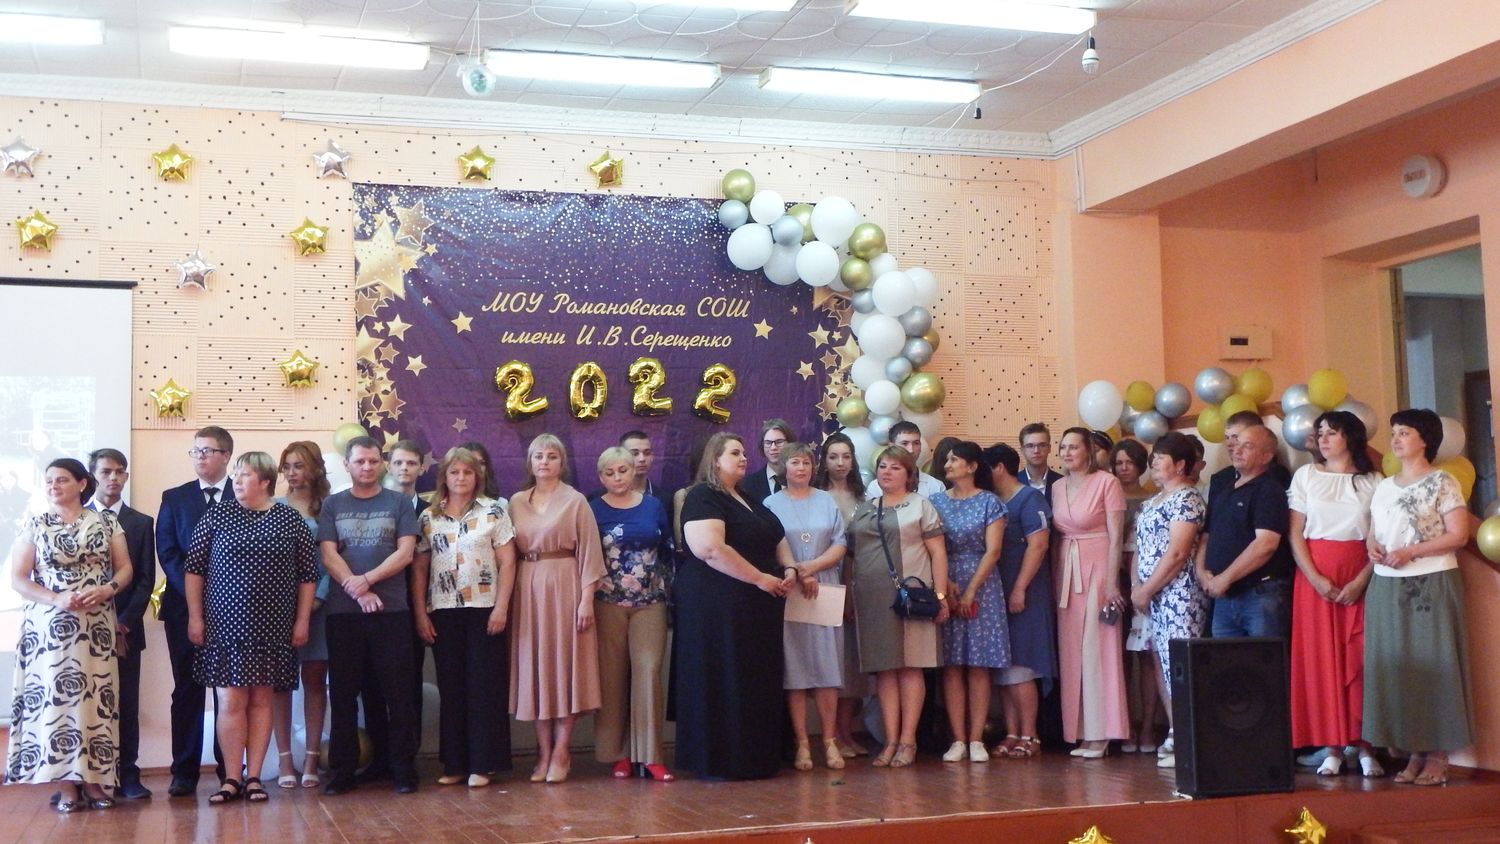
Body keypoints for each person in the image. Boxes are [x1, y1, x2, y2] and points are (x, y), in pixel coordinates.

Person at [186, 452, 318, 805]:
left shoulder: (289, 520)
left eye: (244, 475)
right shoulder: (218, 515)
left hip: (273, 625)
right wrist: (195, 617)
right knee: (231, 700)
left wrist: (302, 620)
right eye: (236, 475)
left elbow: (308, 575)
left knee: (261, 700)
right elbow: (194, 569)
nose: (237, 481)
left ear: (265, 481)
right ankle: (232, 777)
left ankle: (254, 777)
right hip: (225, 624)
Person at [6, 459, 133, 813]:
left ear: (82, 484)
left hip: (95, 626)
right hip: (49, 629)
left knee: (95, 701)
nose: (53, 486)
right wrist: (55, 599)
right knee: (58, 703)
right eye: (48, 481)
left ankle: (94, 782)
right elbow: (18, 578)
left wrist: (107, 589)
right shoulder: (35, 523)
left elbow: (125, 568)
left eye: (61, 479)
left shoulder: (106, 521)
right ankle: (66, 787)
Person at [673, 432, 795, 780]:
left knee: (752, 678)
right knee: (724, 676)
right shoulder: (702, 496)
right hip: (717, 606)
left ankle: (755, 757)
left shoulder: (747, 497)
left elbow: (776, 535)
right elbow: (709, 549)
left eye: (743, 453)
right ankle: (722, 761)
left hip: (755, 607)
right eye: (735, 453)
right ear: (715, 460)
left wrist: (789, 568)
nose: (744, 458)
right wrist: (759, 578)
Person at [1366, 408, 1472, 786]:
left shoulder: (1442, 481)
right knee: (1402, 669)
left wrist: (1411, 552)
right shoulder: (1384, 486)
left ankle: (1438, 753)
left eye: (1405, 432)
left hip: (1431, 583)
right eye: (1394, 432)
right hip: (1386, 584)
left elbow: (1458, 535)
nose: (1396, 439)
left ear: (1425, 440)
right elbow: (1375, 530)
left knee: (1434, 665)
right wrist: (1372, 546)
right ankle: (1413, 750)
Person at [318, 436, 421, 795]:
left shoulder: (399, 503)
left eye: (373, 461)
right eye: (360, 461)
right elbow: (328, 554)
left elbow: (405, 553)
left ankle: (403, 769)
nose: (366, 467)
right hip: (344, 614)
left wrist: (367, 580)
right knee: (344, 694)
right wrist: (358, 591)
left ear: (382, 463)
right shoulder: (333, 505)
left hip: (391, 612)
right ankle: (343, 771)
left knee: (399, 694)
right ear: (347, 465)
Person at [412, 447, 516, 787]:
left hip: (485, 609)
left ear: (477, 476)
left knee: (483, 687)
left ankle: (483, 764)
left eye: (467, 472)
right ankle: (455, 763)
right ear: (444, 476)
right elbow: (420, 569)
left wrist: (501, 607)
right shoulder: (429, 517)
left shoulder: (494, 511)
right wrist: (420, 614)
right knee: (452, 687)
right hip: (443, 610)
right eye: (454, 472)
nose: (461, 478)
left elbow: (508, 562)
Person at [1288, 411, 1383, 778]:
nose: (1323, 439)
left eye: (1332, 433)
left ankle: (1365, 746)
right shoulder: (1306, 475)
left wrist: (1361, 580)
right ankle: (1331, 747)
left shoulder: (1374, 481)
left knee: (1359, 659)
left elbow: (1379, 537)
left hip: (1360, 572)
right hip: (1315, 576)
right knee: (1322, 660)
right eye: (1320, 433)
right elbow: (1295, 533)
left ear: (1350, 437)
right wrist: (1315, 578)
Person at [508, 434, 606, 784]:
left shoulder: (575, 500)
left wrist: (586, 600)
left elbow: (590, 553)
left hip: (566, 585)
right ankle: (543, 752)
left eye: (551, 456)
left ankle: (562, 751)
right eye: (538, 456)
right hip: (528, 587)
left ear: (562, 463)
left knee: (566, 667)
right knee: (537, 669)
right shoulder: (516, 502)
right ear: (530, 462)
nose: (544, 462)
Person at [848, 445, 950, 768]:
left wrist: (941, 596)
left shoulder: (921, 505)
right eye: (882, 466)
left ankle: (909, 741)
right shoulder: (865, 508)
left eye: (895, 467)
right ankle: (890, 740)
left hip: (910, 600)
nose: (887, 472)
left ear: (909, 474)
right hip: (872, 599)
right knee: (885, 670)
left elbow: (938, 553)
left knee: (910, 667)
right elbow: (852, 554)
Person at [155, 425, 234, 797]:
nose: (200, 457)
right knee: (188, 689)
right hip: (183, 609)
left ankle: (229, 770)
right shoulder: (175, 498)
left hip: (234, 609)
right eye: (196, 451)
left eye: (208, 450)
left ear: (226, 456)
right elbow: (168, 552)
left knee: (229, 691)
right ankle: (184, 771)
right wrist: (195, 594)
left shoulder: (241, 494)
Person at [591, 447, 675, 781]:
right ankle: (619, 755)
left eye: (622, 470)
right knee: (612, 679)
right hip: (607, 603)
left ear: (633, 471)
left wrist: (667, 590)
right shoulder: (592, 508)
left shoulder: (653, 505)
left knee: (648, 673)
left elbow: (667, 550)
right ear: (601, 477)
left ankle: (650, 756)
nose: (617, 478)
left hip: (650, 602)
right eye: (609, 473)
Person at [765, 442, 849, 772]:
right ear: (783, 467)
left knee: (828, 666)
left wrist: (811, 568)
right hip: (790, 587)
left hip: (824, 585)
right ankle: (802, 742)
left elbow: (840, 543)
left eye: (806, 463)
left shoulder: (826, 500)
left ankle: (829, 740)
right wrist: (798, 572)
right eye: (795, 462)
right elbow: (771, 544)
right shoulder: (770, 503)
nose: (801, 468)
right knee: (796, 666)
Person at [1129, 433, 1209, 770]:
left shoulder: (1187, 499)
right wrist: (1137, 586)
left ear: (1180, 465)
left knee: (1180, 662)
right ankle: (1178, 729)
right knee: (1162, 662)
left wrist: (1147, 589)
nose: (1154, 462)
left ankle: (1191, 737)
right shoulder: (1152, 502)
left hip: (1179, 594)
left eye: (1161, 457)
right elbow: (1139, 549)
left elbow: (1177, 553)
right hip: (1152, 596)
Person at [358, 439, 431, 786]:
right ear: (389, 465)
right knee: (371, 685)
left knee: (407, 687)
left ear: (421, 468)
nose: (404, 469)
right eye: (398, 462)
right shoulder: (377, 504)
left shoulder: (431, 510)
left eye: (411, 463)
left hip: (413, 608)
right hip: (372, 604)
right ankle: (380, 759)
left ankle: (406, 759)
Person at [1052, 427, 1127, 758]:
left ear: (1089, 451)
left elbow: (1116, 536)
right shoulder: (1057, 487)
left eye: (1074, 447)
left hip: (1098, 567)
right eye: (1063, 447)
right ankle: (1082, 730)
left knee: (1099, 649)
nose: (1067, 453)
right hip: (1067, 573)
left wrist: (1111, 583)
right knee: (1073, 653)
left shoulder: (1107, 482)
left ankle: (1104, 732)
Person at [931, 442, 1008, 764]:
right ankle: (958, 739)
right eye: (947, 460)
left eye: (955, 460)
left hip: (983, 585)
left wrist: (970, 591)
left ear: (973, 466)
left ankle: (977, 739)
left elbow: (993, 551)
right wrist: (946, 585)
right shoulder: (935, 502)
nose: (948, 464)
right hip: (945, 582)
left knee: (978, 664)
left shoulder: (990, 502)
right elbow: (932, 548)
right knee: (951, 665)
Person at [86, 448, 156, 800]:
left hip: (123, 631)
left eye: (119, 472)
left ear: (126, 476)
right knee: (85, 705)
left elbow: (145, 579)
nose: (113, 478)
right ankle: (82, 780)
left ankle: (127, 775)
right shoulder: (76, 518)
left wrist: (123, 623)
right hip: (83, 632)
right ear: (92, 476)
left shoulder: (140, 522)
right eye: (106, 471)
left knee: (125, 705)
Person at [982, 443, 1054, 759]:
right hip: (998, 593)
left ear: (999, 468)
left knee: (1023, 666)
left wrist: (1020, 588)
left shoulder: (1029, 498)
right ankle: (1012, 733)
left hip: (1025, 593)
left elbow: (1038, 546)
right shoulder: (993, 501)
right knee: (1005, 667)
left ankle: (1030, 734)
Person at [267, 441, 332, 790]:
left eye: (299, 465)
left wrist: (316, 599)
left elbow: (333, 561)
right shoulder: (273, 508)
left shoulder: (329, 508)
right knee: (280, 683)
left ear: (315, 468)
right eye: (287, 466)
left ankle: (311, 758)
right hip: (278, 610)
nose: (292, 473)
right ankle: (284, 760)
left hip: (318, 607)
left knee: (314, 680)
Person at [1196, 426, 1294, 639]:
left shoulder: (1269, 490)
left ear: (1266, 456)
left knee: (1263, 658)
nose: (1237, 450)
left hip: (1259, 594)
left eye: (1247, 446)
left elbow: (1265, 544)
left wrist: (1225, 578)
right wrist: (1201, 572)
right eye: (1236, 444)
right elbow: (1206, 537)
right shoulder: (1224, 491)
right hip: (1223, 597)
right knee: (1226, 659)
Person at [815, 431, 870, 758]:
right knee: (831, 660)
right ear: (824, 461)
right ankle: (831, 734)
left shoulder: (863, 496)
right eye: (833, 457)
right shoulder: (817, 496)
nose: (840, 463)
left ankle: (847, 732)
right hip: (827, 579)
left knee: (853, 665)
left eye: (846, 456)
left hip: (861, 580)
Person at [1111, 438, 1160, 754]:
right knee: (1118, 658)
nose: (1123, 468)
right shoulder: (1107, 494)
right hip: (1113, 582)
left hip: (1144, 582)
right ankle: (1123, 725)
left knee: (1146, 655)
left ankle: (1148, 726)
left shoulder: (1152, 499)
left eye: (1129, 462)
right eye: (1118, 463)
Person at [865, 422, 946, 499]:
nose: (911, 450)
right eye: (904, 443)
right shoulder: (875, 487)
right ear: (891, 446)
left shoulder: (935, 486)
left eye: (916, 443)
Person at [619, 430, 676, 522]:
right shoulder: (601, 498)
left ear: (652, 457)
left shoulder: (664, 500)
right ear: (619, 457)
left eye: (647, 453)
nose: (642, 459)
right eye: (634, 454)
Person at [742, 418, 795, 503]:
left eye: (779, 442)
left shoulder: (803, 479)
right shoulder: (748, 484)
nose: (773, 447)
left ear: (790, 443)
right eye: (768, 443)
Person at [1019, 422, 1063, 496]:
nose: (1036, 451)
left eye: (1042, 445)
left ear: (1049, 448)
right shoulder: (1012, 483)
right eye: (1030, 446)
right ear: (1022, 450)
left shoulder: (1063, 483)